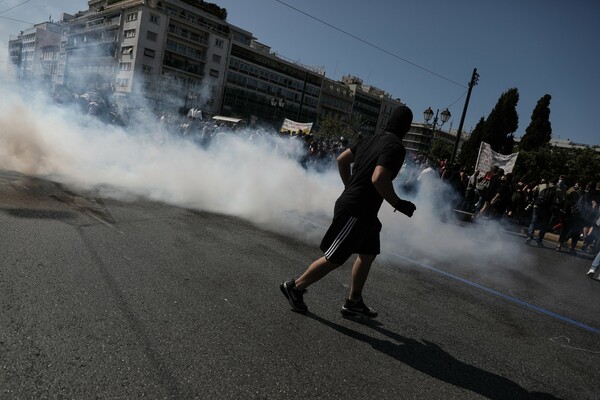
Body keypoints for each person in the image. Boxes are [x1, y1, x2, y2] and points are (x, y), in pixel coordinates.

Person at [280, 106, 416, 317]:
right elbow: (379, 178)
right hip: (357, 210)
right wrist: (398, 204)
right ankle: (295, 287)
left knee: (369, 253)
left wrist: (348, 185)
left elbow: (341, 159)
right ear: (406, 128)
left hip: (364, 211)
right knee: (335, 257)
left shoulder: (371, 139)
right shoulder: (396, 147)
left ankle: (353, 302)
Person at [525, 178, 556, 246]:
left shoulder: (541, 186)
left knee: (533, 222)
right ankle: (539, 240)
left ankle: (529, 237)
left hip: (537, 205)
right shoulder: (556, 190)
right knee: (543, 225)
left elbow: (533, 192)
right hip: (546, 209)